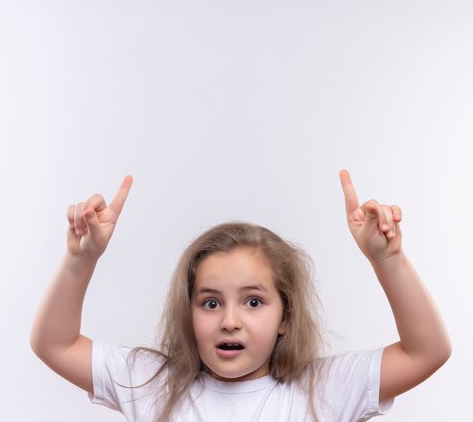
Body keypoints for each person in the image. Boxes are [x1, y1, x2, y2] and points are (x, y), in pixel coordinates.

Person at [29, 169, 451, 421]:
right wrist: (80, 259)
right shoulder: (153, 385)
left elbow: (425, 352)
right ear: (188, 312)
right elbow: (55, 343)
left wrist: (389, 261)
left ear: (286, 316)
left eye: (253, 301)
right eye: (210, 303)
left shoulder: (322, 391)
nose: (230, 320)